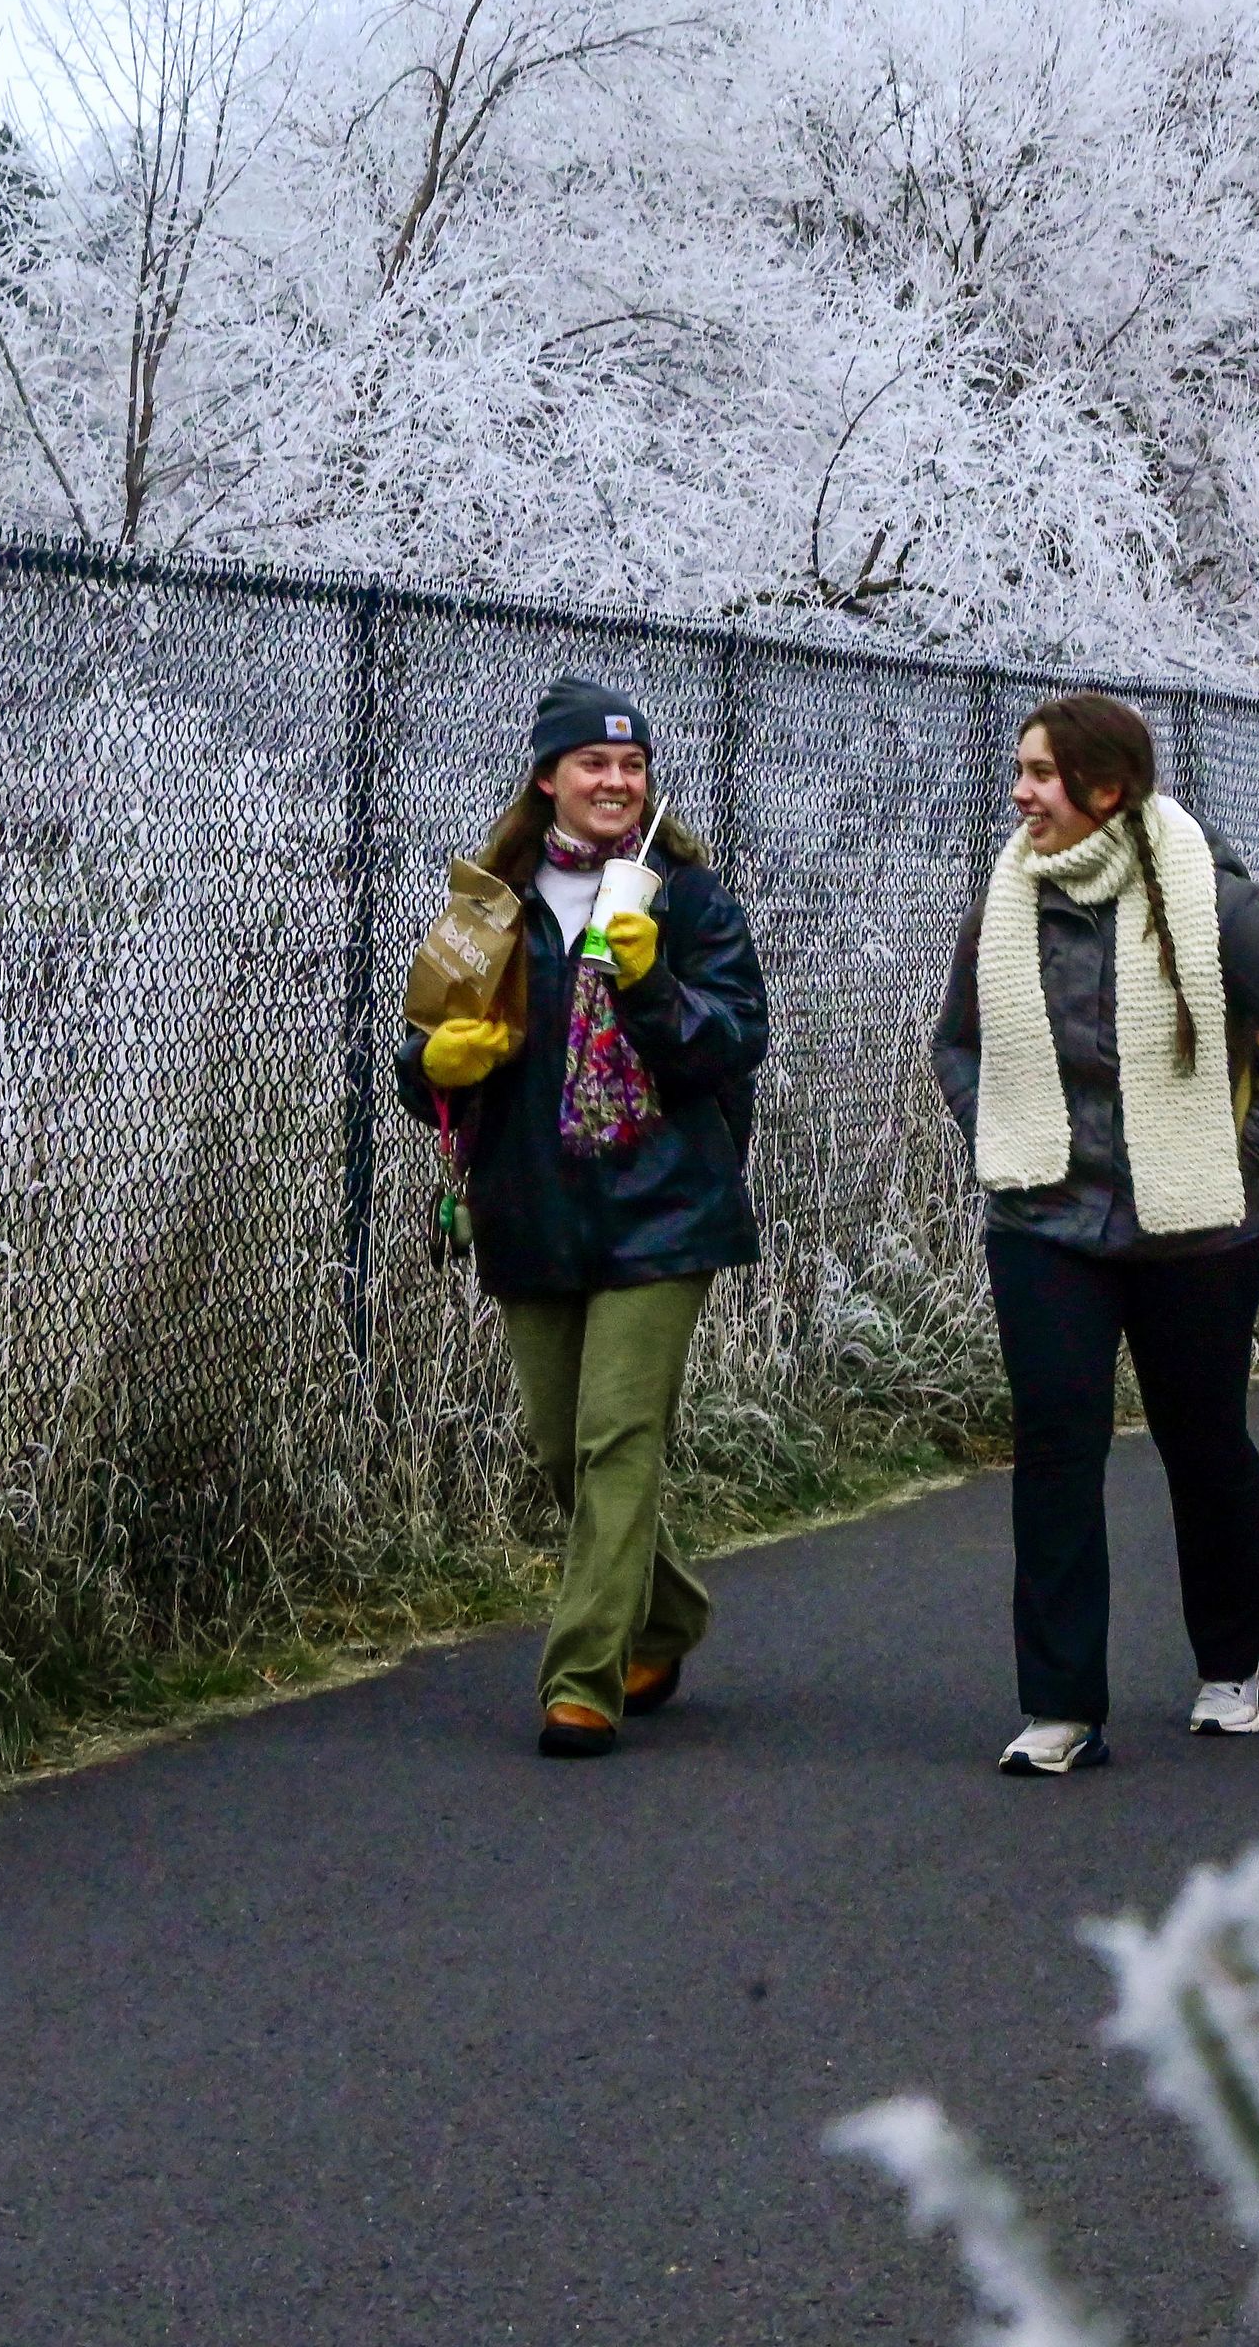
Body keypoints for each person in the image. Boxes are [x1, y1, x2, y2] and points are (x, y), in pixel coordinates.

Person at [932, 692, 1259, 1775]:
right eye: (1019, 771)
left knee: (1201, 1438)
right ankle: (1060, 1706)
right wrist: (1009, 1137)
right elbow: (958, 1046)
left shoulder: (1212, 899)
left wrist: (1239, 1158)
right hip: (1047, 1222)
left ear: (1105, 789)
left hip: (1201, 1233)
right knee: (1056, 1450)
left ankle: (1232, 1659)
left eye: (1039, 773)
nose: (1019, 792)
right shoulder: (1008, 901)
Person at [401, 676, 768, 1759]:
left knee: (617, 1439)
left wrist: (653, 985)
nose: (617, 781)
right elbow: (421, 1054)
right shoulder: (486, 905)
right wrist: (435, 1062)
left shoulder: (688, 898)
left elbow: (733, 1043)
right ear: (549, 778)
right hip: (533, 1208)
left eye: (633, 764)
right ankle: (664, 1615)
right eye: (594, 764)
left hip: (662, 1207)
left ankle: (582, 1680)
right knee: (560, 1449)